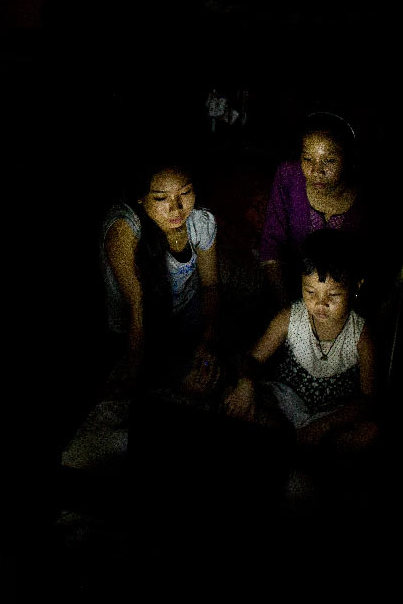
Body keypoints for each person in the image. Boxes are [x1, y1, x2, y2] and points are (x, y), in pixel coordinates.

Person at [224, 228, 378, 453]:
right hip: (285, 405)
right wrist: (245, 383)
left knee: (371, 432)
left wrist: (325, 424)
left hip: (331, 414)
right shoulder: (290, 316)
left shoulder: (361, 335)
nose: (320, 304)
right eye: (310, 292)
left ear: (356, 286)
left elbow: (368, 399)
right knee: (236, 400)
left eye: (332, 295)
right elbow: (253, 358)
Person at [100, 162, 221, 396]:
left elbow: (211, 285)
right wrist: (134, 385)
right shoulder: (124, 230)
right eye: (160, 199)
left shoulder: (200, 221)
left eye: (185, 193)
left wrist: (207, 342)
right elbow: (138, 312)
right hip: (140, 328)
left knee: (212, 371)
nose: (176, 208)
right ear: (141, 198)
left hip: (185, 309)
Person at [259, 112, 365, 303]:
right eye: (308, 159)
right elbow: (271, 248)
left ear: (349, 159)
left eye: (329, 161)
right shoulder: (289, 176)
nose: (317, 171)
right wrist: (290, 310)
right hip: (291, 292)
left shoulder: (366, 197)